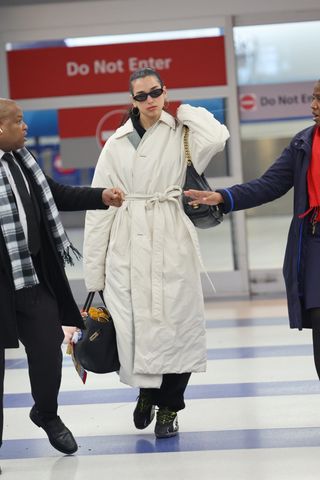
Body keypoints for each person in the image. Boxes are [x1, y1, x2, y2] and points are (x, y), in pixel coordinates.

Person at [83, 67, 229, 438]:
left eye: (155, 92)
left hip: (170, 237)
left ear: (166, 91)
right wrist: (94, 273)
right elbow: (98, 208)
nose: (149, 101)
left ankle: (170, 406)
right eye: (141, 96)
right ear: (131, 100)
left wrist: (184, 111)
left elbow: (218, 136)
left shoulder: (181, 132)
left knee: (178, 326)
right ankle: (147, 391)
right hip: (127, 242)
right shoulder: (116, 143)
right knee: (135, 329)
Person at [0, 98, 124, 463]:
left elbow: (54, 193)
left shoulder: (24, 162)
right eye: (18, 121)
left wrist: (100, 196)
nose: (25, 127)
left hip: (32, 280)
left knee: (47, 352)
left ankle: (46, 414)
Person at [185, 79, 320, 383]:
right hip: (315, 244)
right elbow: (269, 184)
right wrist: (223, 197)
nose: (313, 106)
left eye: (319, 99)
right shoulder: (304, 143)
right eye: (313, 98)